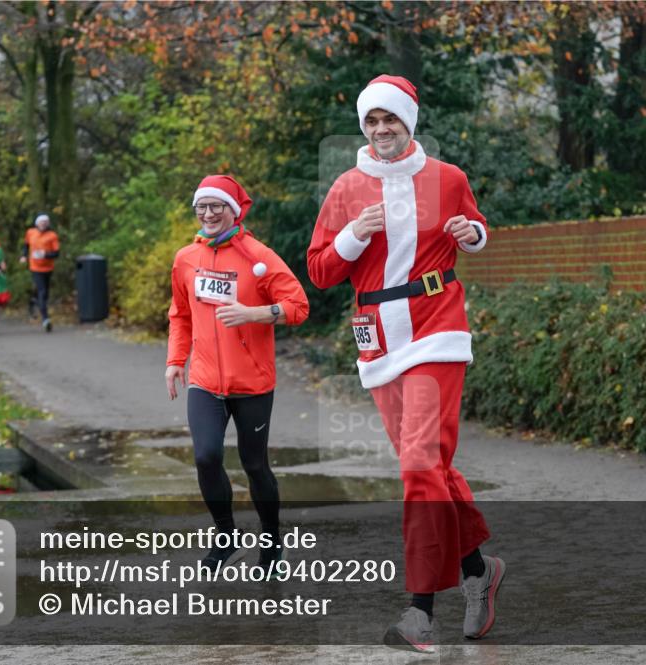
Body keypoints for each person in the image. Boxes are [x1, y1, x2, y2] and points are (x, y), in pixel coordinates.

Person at [306, 74, 503, 652]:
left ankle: (420, 610)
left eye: (390, 119)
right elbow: (319, 272)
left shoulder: (448, 178)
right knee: (432, 469)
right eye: (371, 121)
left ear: (409, 123)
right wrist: (350, 237)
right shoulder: (346, 186)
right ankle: (477, 572)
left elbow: (475, 228)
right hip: (378, 341)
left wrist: (472, 234)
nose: (381, 129)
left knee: (419, 464)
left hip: (438, 328)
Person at [165, 175, 309, 572]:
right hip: (206, 380)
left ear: (234, 210)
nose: (209, 214)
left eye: (217, 206)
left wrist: (256, 314)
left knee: (254, 465)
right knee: (206, 456)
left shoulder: (257, 255)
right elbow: (180, 315)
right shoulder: (185, 259)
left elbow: (298, 305)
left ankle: (271, 542)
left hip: (252, 383)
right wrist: (175, 361)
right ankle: (225, 536)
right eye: (202, 207)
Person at [20, 213, 59, 332]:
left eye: (45, 222)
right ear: (37, 223)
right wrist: (24, 256)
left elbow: (56, 253)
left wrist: (45, 254)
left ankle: (33, 301)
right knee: (42, 291)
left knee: (45, 293)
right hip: (35, 267)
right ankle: (45, 319)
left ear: (48, 224)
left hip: (48, 267)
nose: (43, 224)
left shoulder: (52, 235)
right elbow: (26, 245)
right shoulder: (30, 232)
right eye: (41, 222)